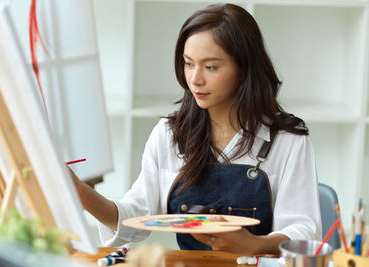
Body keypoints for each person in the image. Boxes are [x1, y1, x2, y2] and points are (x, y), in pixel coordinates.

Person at [71, 3, 321, 255]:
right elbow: (134, 219)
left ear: (244, 68)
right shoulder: (169, 134)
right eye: (188, 64)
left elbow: (303, 230)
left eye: (210, 67)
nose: (195, 79)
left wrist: (254, 245)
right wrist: (80, 192)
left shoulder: (287, 141)